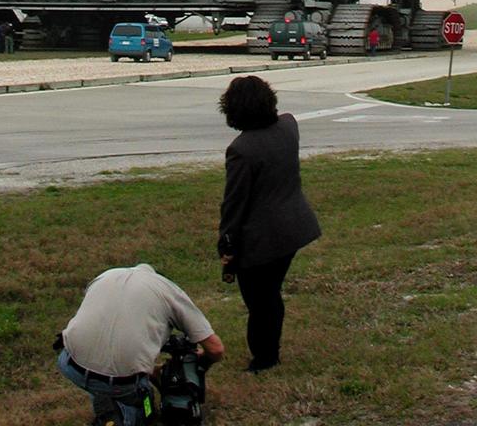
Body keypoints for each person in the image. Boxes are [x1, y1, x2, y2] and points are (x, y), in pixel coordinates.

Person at [218, 75, 321, 373]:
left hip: (263, 238)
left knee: (260, 301)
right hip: (294, 226)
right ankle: (269, 353)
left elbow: (234, 203)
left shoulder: (241, 149)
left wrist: (226, 242)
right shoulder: (289, 126)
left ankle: (264, 359)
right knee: (270, 294)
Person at [57, 262, 224, 426]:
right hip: (121, 382)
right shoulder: (168, 290)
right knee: (145, 408)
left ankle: (102, 395)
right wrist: (201, 362)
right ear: (159, 277)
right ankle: (120, 415)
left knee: (102, 373)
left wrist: (152, 371)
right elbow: (216, 349)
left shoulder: (106, 276)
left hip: (70, 364)